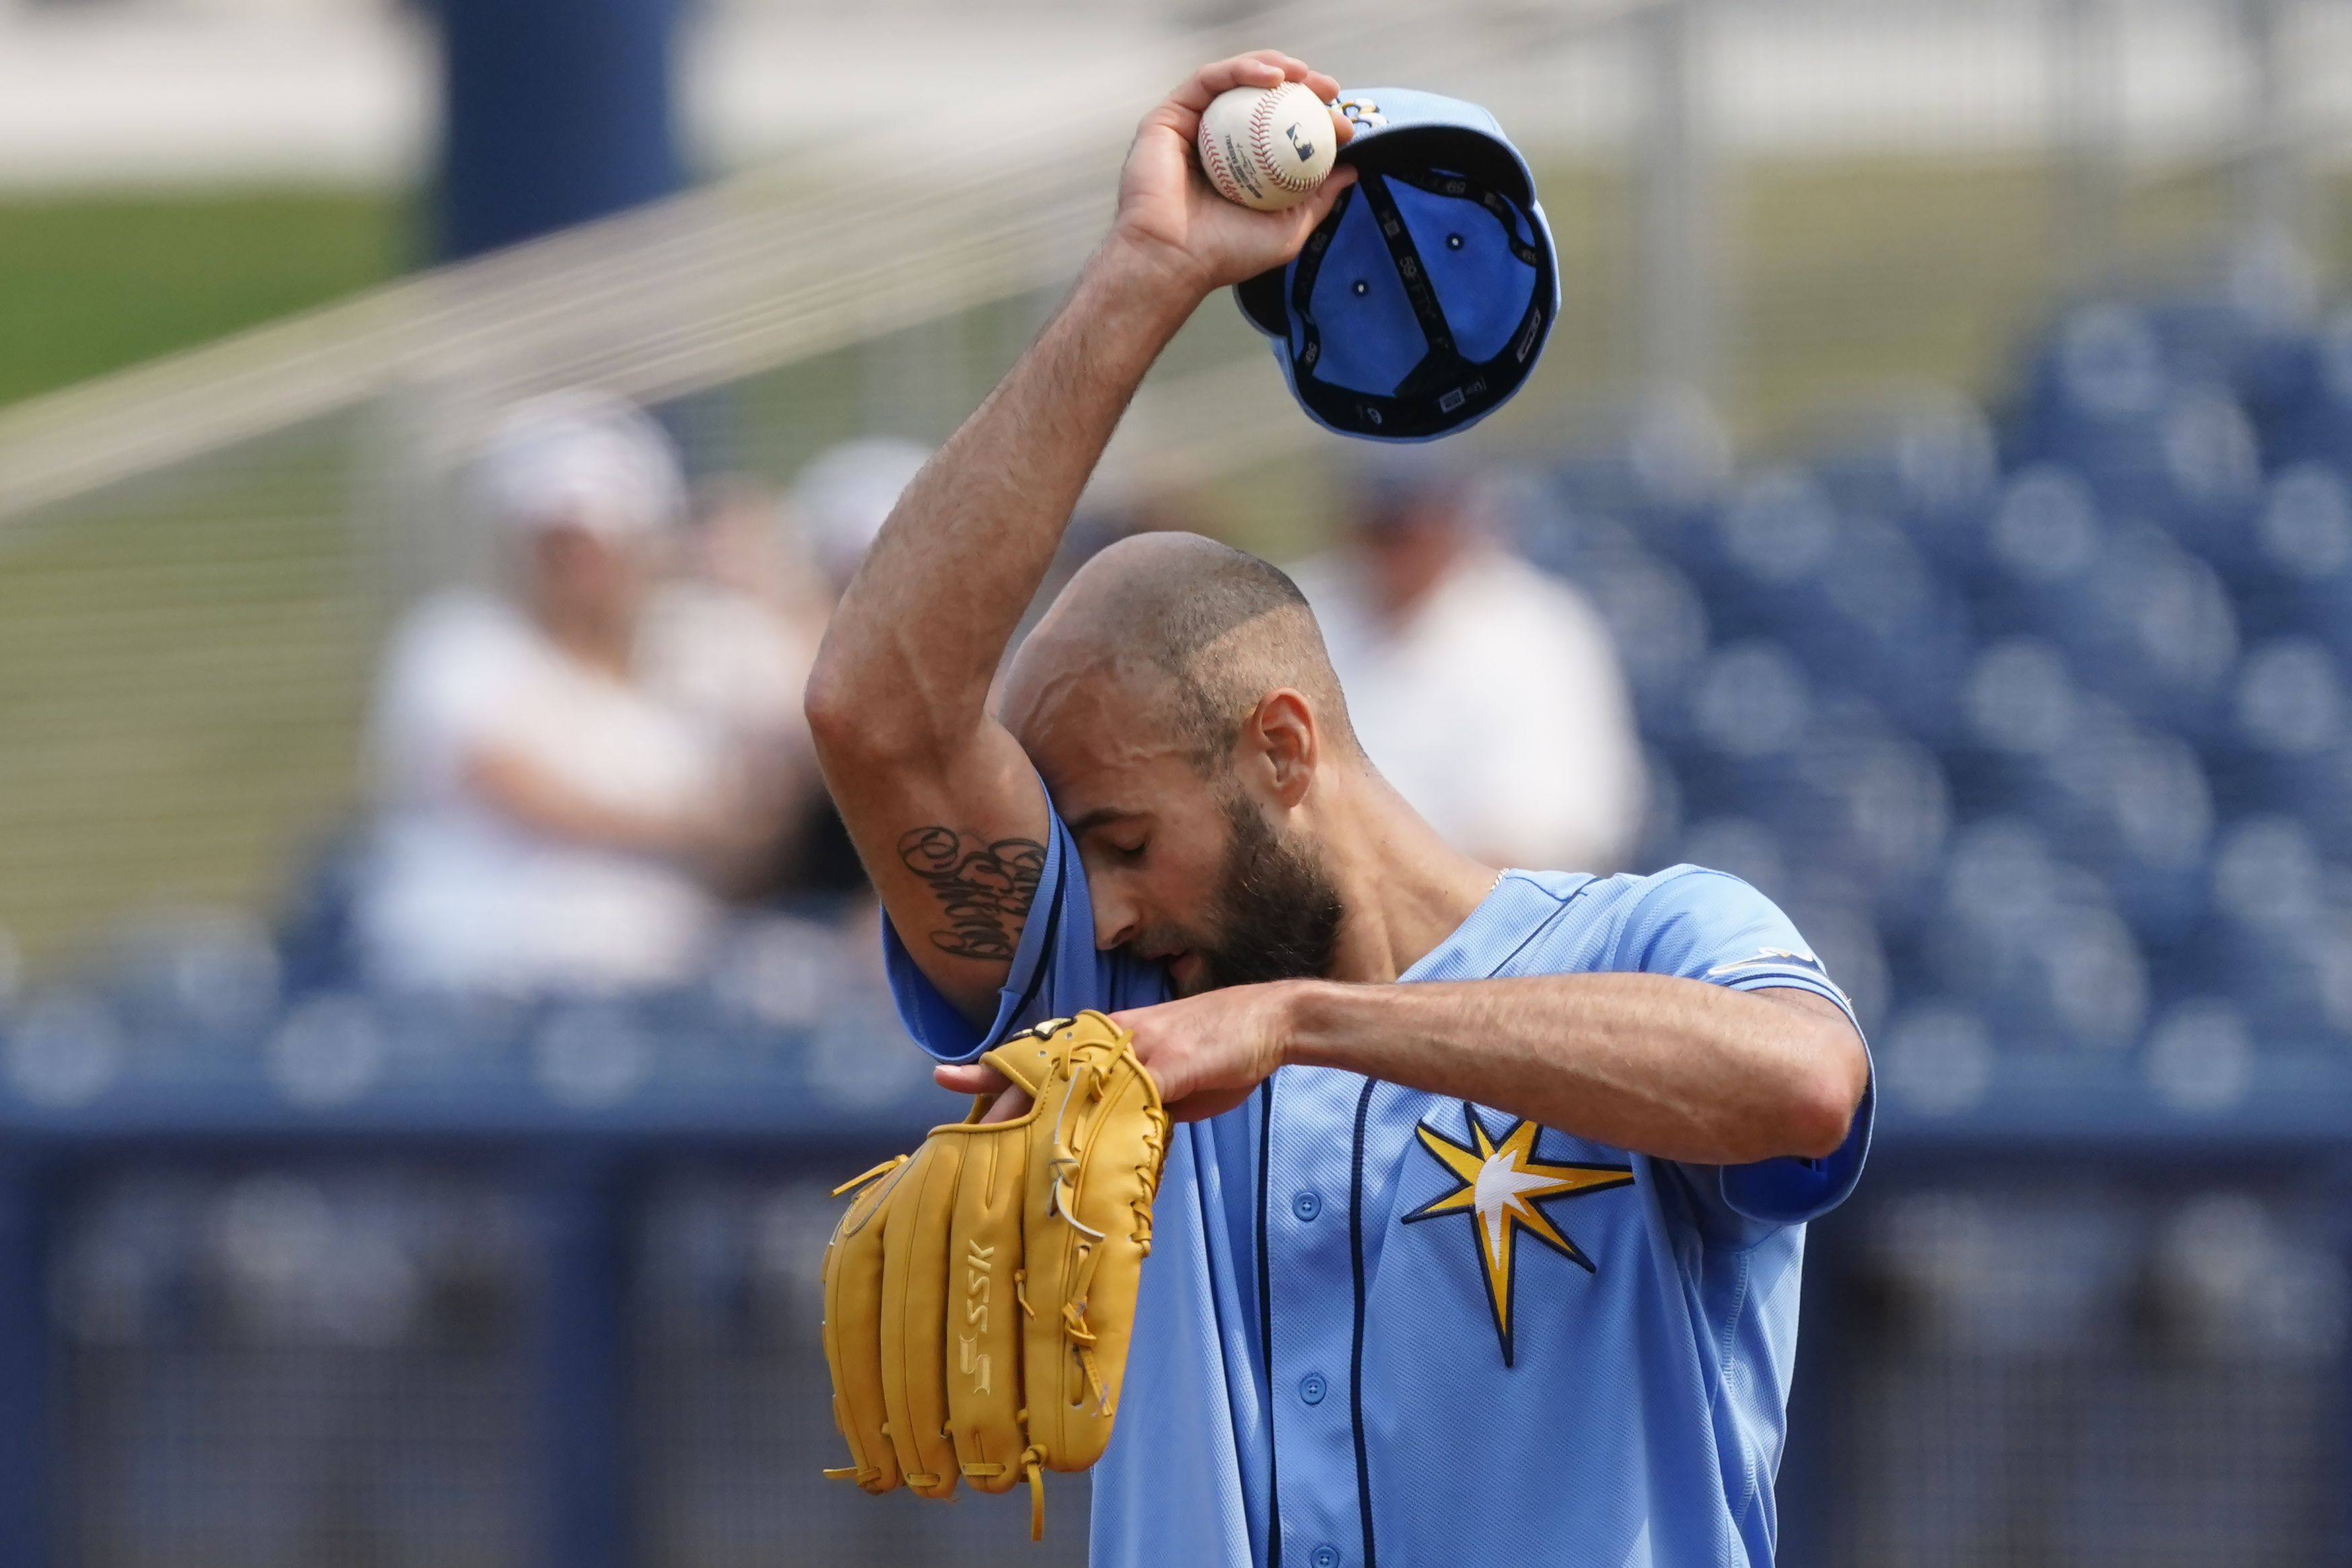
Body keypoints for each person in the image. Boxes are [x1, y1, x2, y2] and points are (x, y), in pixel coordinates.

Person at [805, 53, 1872, 1568]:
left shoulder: (1651, 932)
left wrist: (1310, 1023)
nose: (1096, 905)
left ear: (1281, 750)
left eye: (1117, 837)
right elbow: (878, 713)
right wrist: (1147, 273)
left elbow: (1802, 1090)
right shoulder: (1118, 1012)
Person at [355, 391, 769, 996]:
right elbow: (513, 786)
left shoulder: (699, 663)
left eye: (592, 545)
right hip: (474, 989)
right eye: (556, 545)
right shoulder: (460, 644)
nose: (576, 565)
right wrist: (701, 822)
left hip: (659, 984)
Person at [1288, 453, 1646, 873]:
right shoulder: (1302, 613)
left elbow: (1536, 837)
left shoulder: (1534, 628)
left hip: (1502, 918)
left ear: (1453, 519)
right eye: (1377, 526)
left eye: (1406, 525)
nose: (1389, 547)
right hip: (1322, 903)